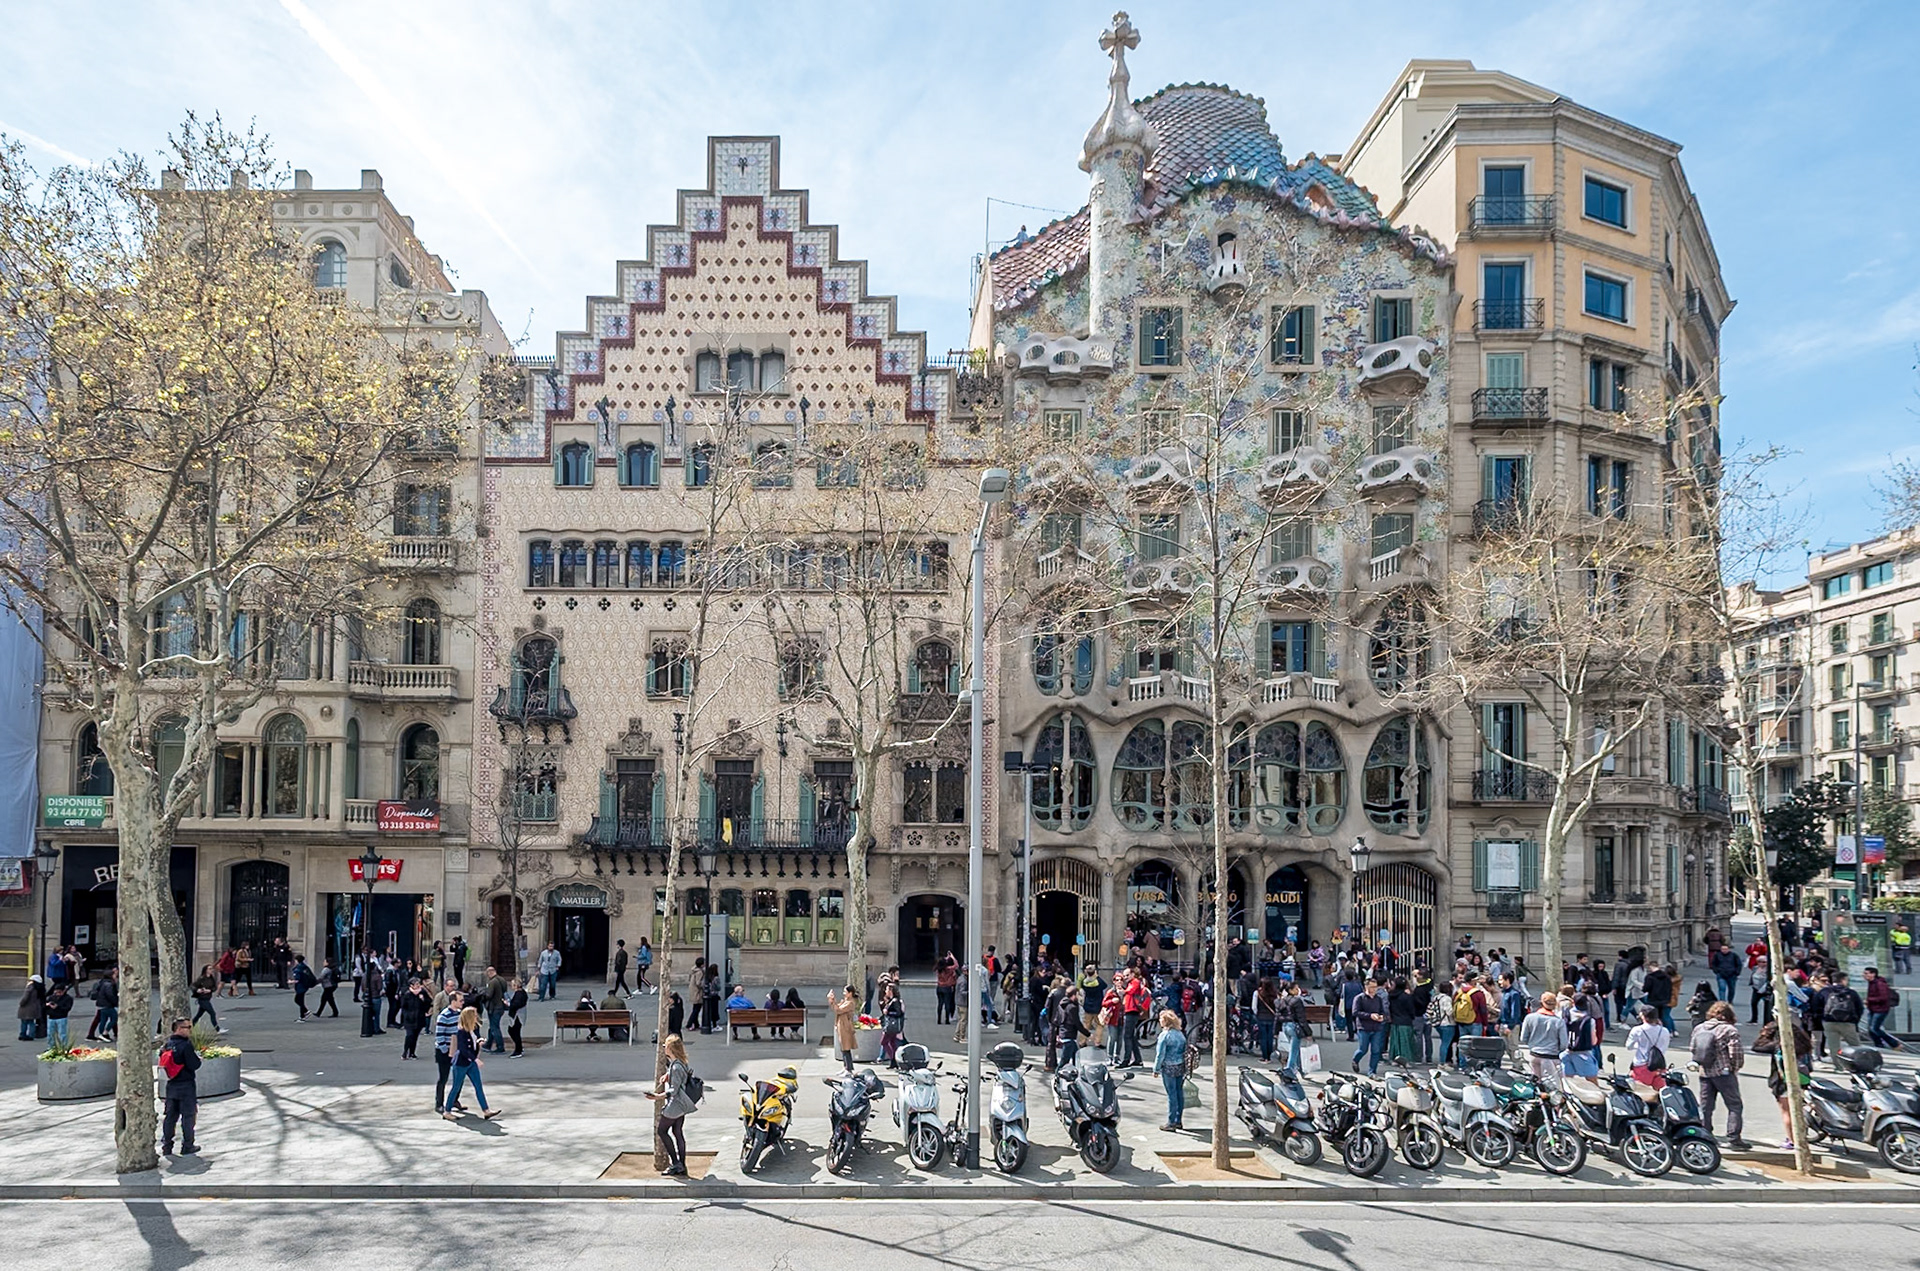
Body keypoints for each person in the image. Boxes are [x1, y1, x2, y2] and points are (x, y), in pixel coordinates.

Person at [1691, 1000, 1746, 1148]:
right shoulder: (1729, 1030)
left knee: (1705, 1106)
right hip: (1724, 1073)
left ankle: (1705, 1134)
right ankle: (1734, 1137)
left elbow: (1693, 1049)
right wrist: (1734, 1068)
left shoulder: (1699, 1028)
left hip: (1705, 1072)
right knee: (1734, 1105)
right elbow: (1736, 1053)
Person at [1754, 1014, 1813, 1149]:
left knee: (1787, 1112)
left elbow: (1756, 1046)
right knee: (1797, 1110)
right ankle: (1799, 1136)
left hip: (1783, 1082)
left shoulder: (1778, 1047)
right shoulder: (1802, 1043)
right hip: (1802, 1080)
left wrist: (1765, 1034)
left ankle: (1792, 1140)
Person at [646, 1033, 698, 1175]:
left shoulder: (675, 1067)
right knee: (677, 1132)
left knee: (662, 1131)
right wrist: (667, 1075)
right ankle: (682, 1165)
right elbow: (680, 1074)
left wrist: (657, 1097)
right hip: (682, 1105)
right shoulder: (680, 1062)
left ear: (670, 1048)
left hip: (675, 1105)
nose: (663, 1048)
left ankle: (675, 1163)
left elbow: (673, 1091)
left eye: (665, 1046)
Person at [442, 1006, 499, 1121]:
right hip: (461, 1063)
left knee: (478, 1086)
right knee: (456, 1087)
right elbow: (463, 1049)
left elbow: (473, 1044)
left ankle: (486, 1110)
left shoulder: (473, 1029)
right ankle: (447, 1111)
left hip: (470, 1063)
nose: (476, 1017)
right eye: (474, 1015)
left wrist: (479, 1042)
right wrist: (475, 1059)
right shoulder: (461, 1031)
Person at [159, 1017, 202, 1156]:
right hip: (186, 1085)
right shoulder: (186, 1045)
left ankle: (167, 1146)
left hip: (171, 1085)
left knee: (170, 1116)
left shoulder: (167, 1045)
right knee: (188, 1115)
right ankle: (188, 1145)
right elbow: (194, 1064)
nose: (190, 1030)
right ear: (178, 1029)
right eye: (187, 1027)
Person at [1517, 992, 1568, 1088]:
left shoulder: (1530, 1018)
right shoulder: (1558, 1022)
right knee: (1555, 1087)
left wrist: (1532, 1044)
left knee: (1536, 1084)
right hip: (1551, 1057)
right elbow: (1564, 1044)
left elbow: (1523, 1038)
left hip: (1534, 1055)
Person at [1152, 1009, 1188, 1131]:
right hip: (1180, 1065)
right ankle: (1178, 1120)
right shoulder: (1180, 1034)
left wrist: (1156, 1069)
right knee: (1179, 1093)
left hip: (1168, 1067)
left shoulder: (1164, 1036)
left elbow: (1160, 1054)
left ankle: (1171, 1122)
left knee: (1171, 1094)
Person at [1626, 1005, 1671, 1089]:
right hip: (1658, 1065)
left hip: (1641, 1065)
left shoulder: (1637, 1030)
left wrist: (1639, 1045)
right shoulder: (1664, 1031)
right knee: (1660, 1092)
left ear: (1643, 1016)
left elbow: (1629, 1046)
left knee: (1640, 1092)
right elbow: (1664, 1047)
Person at [1820, 971, 1866, 1055]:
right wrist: (1854, 1021)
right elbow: (1860, 1008)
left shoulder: (1824, 991)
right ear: (1843, 980)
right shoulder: (1851, 993)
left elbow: (1817, 1007)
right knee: (1855, 1045)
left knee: (1833, 1046)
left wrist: (1823, 1019)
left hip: (1829, 1022)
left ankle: (1838, 1067)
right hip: (1848, 1022)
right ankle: (1857, 1063)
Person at [1351, 979, 1388, 1075]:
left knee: (1376, 1050)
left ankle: (1372, 1071)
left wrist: (1382, 1017)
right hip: (1364, 1027)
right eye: (1372, 987)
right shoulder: (1359, 998)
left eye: (1375, 987)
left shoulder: (1378, 999)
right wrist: (1370, 1015)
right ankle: (1355, 1059)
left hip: (1376, 1027)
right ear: (1366, 987)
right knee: (1363, 1049)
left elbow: (1382, 1011)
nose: (1374, 989)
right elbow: (1355, 1012)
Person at [1562, 993, 1604, 1078]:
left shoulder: (1563, 1015)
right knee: (1592, 1080)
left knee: (1568, 1079)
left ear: (1573, 1003)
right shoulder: (1589, 1020)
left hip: (1566, 1051)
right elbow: (1594, 1041)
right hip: (1582, 1052)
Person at [1863, 967, 1900, 1049]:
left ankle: (1894, 1043)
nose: (1864, 975)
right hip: (1873, 1008)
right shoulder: (1872, 983)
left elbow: (1883, 998)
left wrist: (1869, 1000)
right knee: (1871, 1029)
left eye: (1866, 973)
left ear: (1873, 974)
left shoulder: (1880, 984)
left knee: (1874, 1028)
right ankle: (1879, 1045)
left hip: (1880, 1009)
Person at [1386, 975, 1418, 1063]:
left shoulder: (1391, 995)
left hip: (1395, 1020)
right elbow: (1411, 1009)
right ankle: (1405, 1059)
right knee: (1405, 1042)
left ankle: (1394, 1057)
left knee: (1395, 1042)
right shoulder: (1407, 996)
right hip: (1406, 1021)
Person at [399, 977, 431, 1059]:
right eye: (416, 984)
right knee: (409, 1035)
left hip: (419, 1017)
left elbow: (429, 1002)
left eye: (418, 984)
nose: (418, 986)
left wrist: (423, 999)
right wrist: (406, 1015)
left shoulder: (422, 993)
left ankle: (412, 1053)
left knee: (415, 1036)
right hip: (409, 1019)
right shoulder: (407, 994)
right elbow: (403, 1006)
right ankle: (405, 1052)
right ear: (411, 985)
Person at [830, 984, 858, 1072]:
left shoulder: (850, 1003)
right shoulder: (845, 1001)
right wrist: (832, 1001)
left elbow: (838, 1010)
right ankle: (846, 1066)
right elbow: (836, 1009)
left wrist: (833, 1001)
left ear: (850, 993)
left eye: (845, 992)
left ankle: (849, 1068)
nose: (843, 993)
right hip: (841, 1025)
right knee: (843, 1047)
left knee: (846, 1047)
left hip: (845, 1026)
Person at [86, 968, 119, 1042]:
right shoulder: (109, 984)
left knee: (103, 1019)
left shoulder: (102, 982)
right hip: (107, 1004)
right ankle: (105, 1033)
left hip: (101, 1004)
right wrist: (116, 1002)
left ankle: (101, 1034)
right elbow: (110, 995)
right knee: (114, 1018)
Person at [880, 984, 906, 1066]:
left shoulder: (895, 1001)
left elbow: (898, 1013)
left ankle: (893, 1059)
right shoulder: (891, 1000)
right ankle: (893, 1062)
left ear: (891, 991)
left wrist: (887, 1012)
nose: (885, 991)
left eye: (887, 990)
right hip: (892, 1026)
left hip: (891, 1026)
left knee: (883, 1042)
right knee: (892, 1043)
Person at [43, 983, 73, 1048]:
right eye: (56, 992)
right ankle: (51, 1047)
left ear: (64, 991)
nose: (58, 994)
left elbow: (67, 1008)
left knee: (62, 1034)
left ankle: (64, 1047)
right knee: (50, 1034)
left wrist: (57, 1007)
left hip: (61, 1017)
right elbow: (44, 1006)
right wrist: (47, 1006)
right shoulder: (51, 997)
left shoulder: (68, 998)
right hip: (51, 1017)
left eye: (59, 992)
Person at [192, 964, 221, 1032]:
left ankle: (191, 1026)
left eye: (212, 969)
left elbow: (214, 987)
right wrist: (198, 990)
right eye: (210, 969)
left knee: (198, 1015)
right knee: (212, 1013)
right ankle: (217, 1029)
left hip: (207, 998)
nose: (211, 970)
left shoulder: (211, 978)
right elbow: (193, 986)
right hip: (202, 999)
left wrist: (210, 990)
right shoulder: (201, 978)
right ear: (206, 970)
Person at [507, 977, 530, 1056]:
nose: (511, 987)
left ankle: (518, 1050)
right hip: (518, 1015)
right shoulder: (521, 992)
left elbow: (517, 1004)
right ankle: (519, 1047)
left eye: (512, 985)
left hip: (518, 1015)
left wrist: (509, 1004)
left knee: (514, 1032)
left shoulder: (519, 994)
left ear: (516, 985)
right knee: (513, 1031)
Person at [1749, 956, 1774, 1025]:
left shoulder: (1769, 970)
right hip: (1756, 988)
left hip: (1765, 989)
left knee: (1767, 1005)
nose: (1761, 963)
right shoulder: (1755, 968)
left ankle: (1767, 1020)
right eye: (1759, 962)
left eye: (1763, 962)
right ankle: (1754, 1019)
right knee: (1753, 1003)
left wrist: (1764, 988)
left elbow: (1769, 980)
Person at [685, 959, 707, 1034]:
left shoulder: (694, 970)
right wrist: (704, 985)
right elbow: (698, 983)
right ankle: (689, 1024)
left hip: (693, 991)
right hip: (697, 993)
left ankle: (696, 1024)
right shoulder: (699, 972)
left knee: (695, 1008)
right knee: (696, 1009)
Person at [935, 953, 958, 1025]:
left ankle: (939, 1019)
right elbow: (956, 965)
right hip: (947, 987)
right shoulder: (948, 969)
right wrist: (952, 957)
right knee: (947, 1004)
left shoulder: (938, 969)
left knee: (940, 1004)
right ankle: (947, 1019)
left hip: (939, 987)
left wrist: (947, 958)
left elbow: (941, 962)